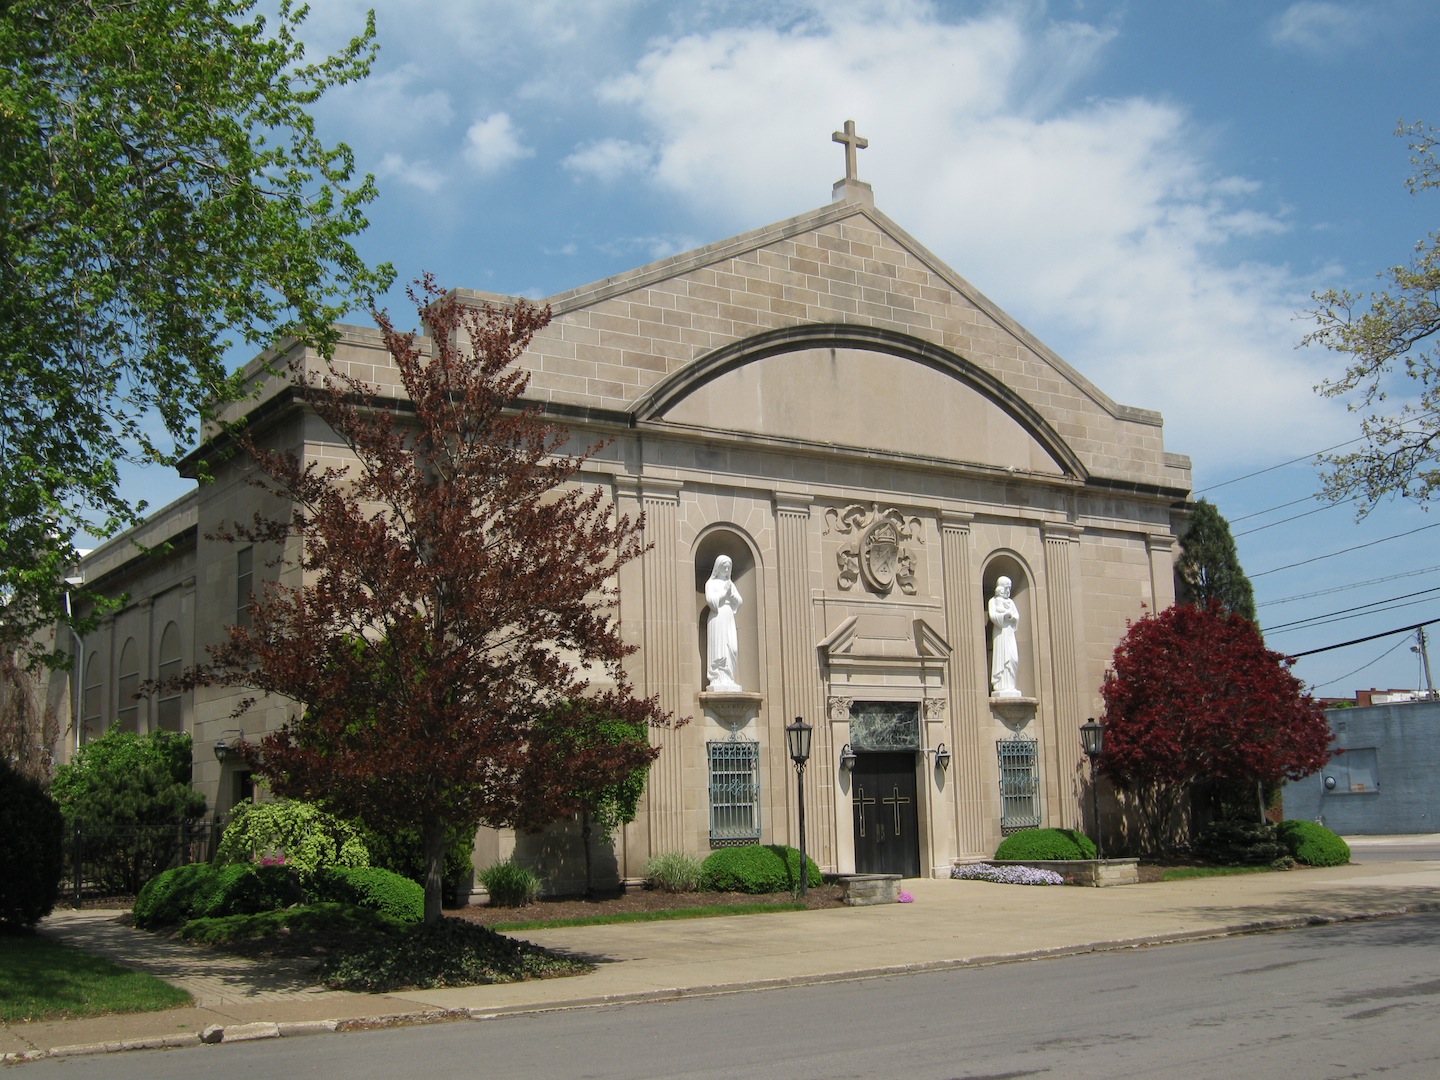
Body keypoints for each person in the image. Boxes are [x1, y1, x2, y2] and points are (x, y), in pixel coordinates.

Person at [705, 555, 743, 692]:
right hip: (717, 616)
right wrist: (724, 592)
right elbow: (711, 601)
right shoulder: (711, 584)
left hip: (728, 616)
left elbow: (739, 602)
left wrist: (731, 594)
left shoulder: (730, 584)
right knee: (719, 647)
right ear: (718, 567)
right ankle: (718, 678)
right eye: (724, 566)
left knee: (732, 648)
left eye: (729, 567)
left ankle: (729, 678)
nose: (727, 569)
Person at [988, 576, 1021, 697]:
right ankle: (1001, 685)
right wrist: (1004, 616)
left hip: (1009, 632)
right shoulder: (993, 601)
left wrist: (1012, 617)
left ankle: (1011, 685)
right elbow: (993, 616)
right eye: (1006, 588)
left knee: (1013, 658)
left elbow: (1016, 616)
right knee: (1001, 657)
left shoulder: (1011, 602)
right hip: (1000, 633)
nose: (1007, 591)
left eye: (1009, 589)